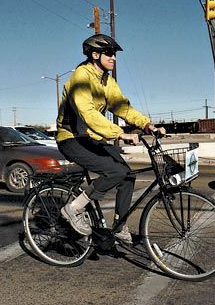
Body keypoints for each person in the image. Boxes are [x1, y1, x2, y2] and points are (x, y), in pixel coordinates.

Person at [56, 34, 165, 244]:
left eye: (114, 54)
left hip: (90, 138)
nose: (113, 58)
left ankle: (119, 227)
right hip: (71, 138)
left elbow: (122, 106)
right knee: (115, 171)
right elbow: (88, 113)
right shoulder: (81, 77)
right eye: (109, 53)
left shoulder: (107, 80)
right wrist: (120, 133)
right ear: (95, 55)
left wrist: (146, 124)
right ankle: (73, 208)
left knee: (127, 176)